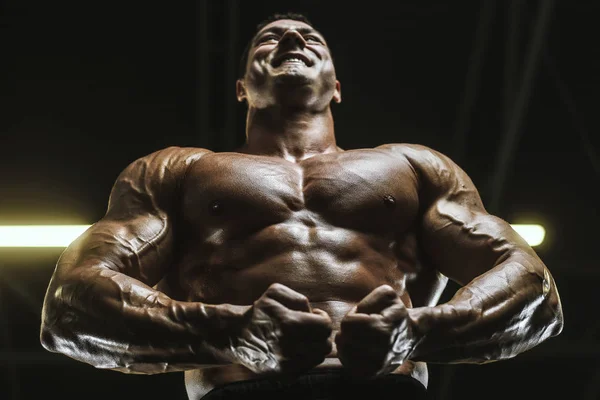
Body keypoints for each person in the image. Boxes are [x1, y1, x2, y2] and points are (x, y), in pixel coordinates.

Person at [40, 12, 564, 400]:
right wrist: (230, 333)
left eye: (311, 38)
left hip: (386, 388)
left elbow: (535, 292)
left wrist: (417, 330)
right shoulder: (175, 171)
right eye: (270, 38)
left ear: (336, 88)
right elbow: (69, 306)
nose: (292, 38)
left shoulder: (414, 167)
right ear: (242, 89)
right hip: (239, 390)